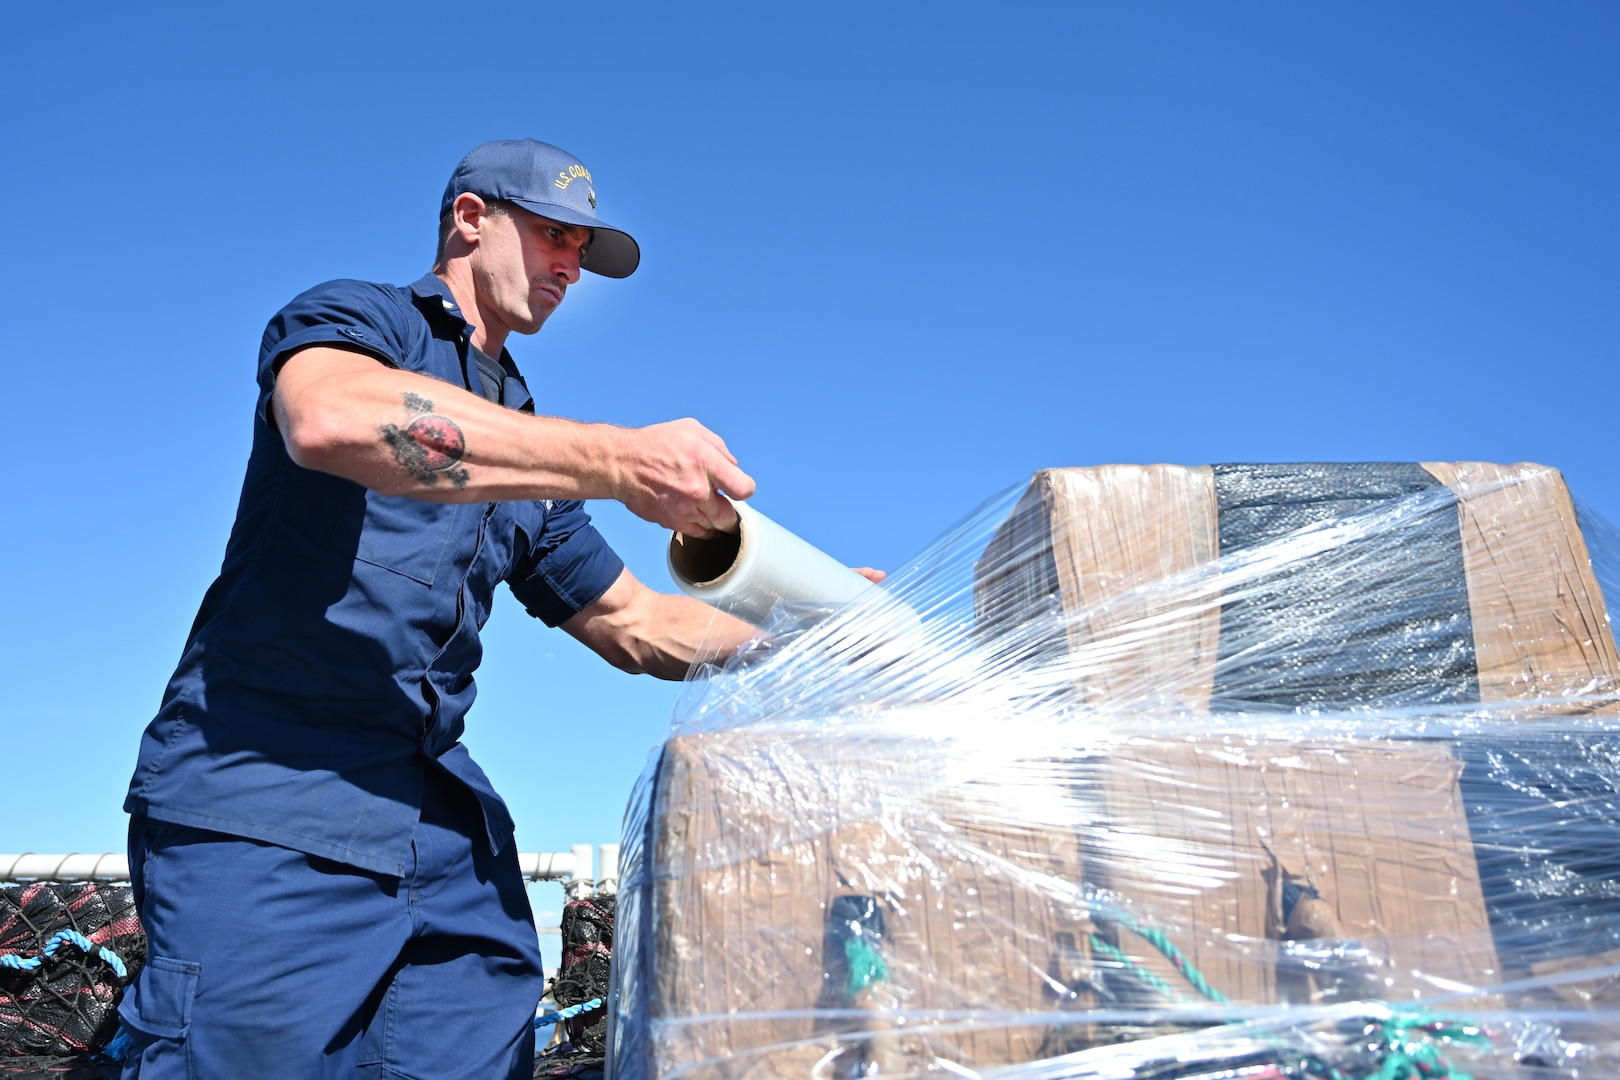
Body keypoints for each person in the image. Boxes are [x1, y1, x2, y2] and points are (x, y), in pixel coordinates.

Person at [118, 138, 880, 1079]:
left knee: (481, 1032)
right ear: (471, 220)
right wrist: (613, 459)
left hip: (437, 831)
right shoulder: (363, 322)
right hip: (270, 793)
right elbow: (329, 420)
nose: (570, 267)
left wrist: (811, 643)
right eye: (554, 235)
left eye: (582, 253)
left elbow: (637, 623)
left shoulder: (525, 452)